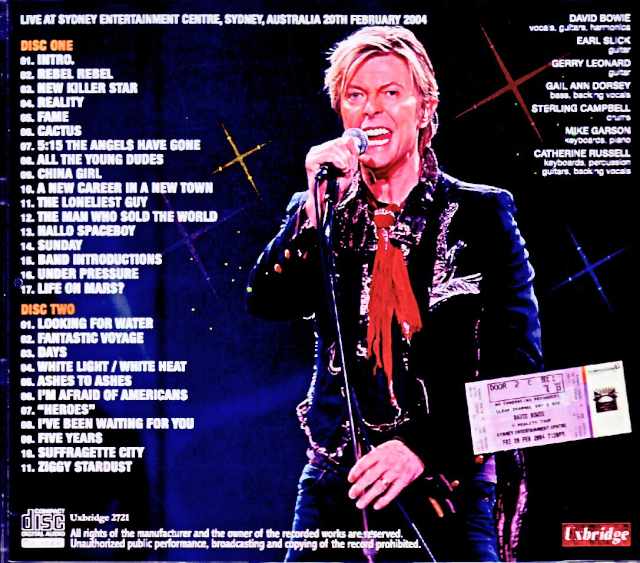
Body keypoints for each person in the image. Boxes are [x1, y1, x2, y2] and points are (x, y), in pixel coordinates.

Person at [247, 26, 542, 562]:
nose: (371, 110)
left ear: (424, 108)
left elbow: (518, 366)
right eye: (356, 96)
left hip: (447, 486)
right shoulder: (319, 211)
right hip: (338, 481)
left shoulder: (481, 214)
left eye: (390, 93)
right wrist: (313, 210)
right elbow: (265, 300)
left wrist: (424, 449)